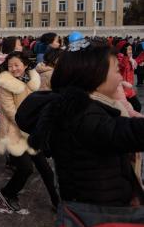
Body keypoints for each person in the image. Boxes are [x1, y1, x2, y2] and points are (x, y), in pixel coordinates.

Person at [20, 41, 144, 207]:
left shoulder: (89, 106)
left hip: (102, 201)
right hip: (97, 215)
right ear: (93, 75)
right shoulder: (82, 114)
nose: (120, 77)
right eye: (116, 71)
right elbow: (124, 133)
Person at [0, 51, 58, 212]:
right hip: (13, 132)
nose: (14, 69)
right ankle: (8, 193)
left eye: (17, 65)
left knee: (45, 169)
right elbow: (10, 111)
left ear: (25, 65)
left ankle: (57, 202)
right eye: (10, 66)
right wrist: (33, 123)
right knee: (26, 168)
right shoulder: (5, 85)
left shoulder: (34, 80)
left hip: (31, 131)